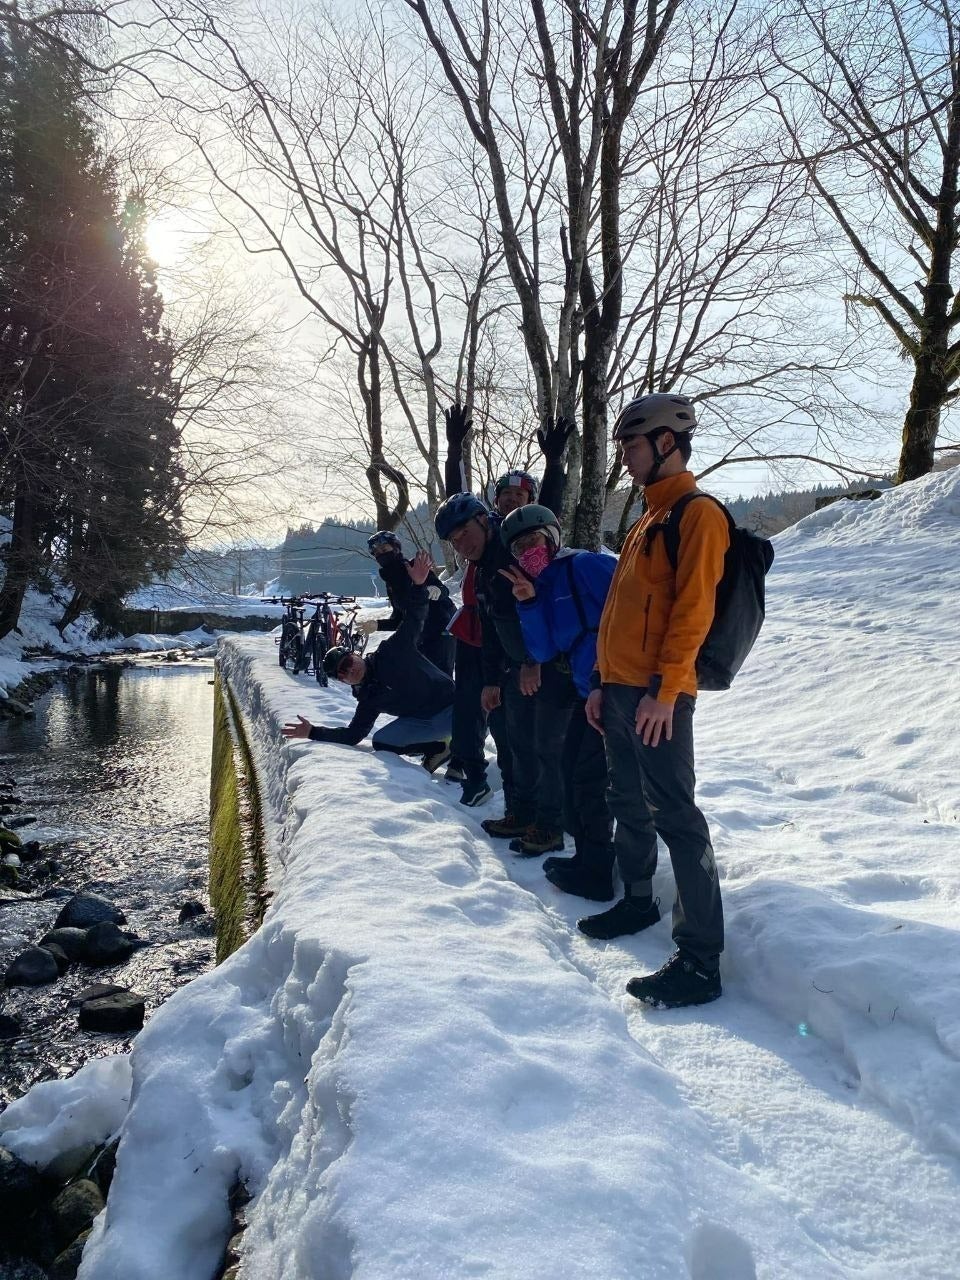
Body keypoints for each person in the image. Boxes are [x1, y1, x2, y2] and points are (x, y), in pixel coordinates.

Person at [583, 392, 728, 1010]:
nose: (624, 454)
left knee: (675, 814)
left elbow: (694, 612)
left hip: (657, 696)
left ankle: (700, 960)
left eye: (632, 443)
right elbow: (619, 612)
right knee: (626, 798)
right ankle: (638, 900)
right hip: (620, 690)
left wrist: (666, 692)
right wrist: (599, 681)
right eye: (622, 444)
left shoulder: (698, 514)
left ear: (668, 442)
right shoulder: (647, 518)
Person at [440, 404, 574, 808]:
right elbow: (455, 505)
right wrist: (454, 450)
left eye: (520, 496)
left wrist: (554, 463)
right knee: (475, 708)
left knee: (519, 729)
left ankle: (533, 806)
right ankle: (474, 771)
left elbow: (548, 511)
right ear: (494, 503)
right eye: (506, 496)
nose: (513, 502)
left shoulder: (518, 541)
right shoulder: (482, 534)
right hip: (480, 633)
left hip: (518, 642)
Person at [499, 503, 618, 901]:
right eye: (518, 548)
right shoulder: (541, 586)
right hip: (588, 692)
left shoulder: (585, 566)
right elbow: (544, 650)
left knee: (591, 782)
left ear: (552, 537)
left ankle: (599, 872)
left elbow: (634, 607)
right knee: (569, 773)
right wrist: (528, 602)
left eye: (532, 540)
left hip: (618, 687)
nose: (527, 552)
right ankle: (586, 858)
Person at [282, 551, 453, 772]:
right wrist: (312, 732)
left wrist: (419, 586)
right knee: (382, 742)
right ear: (343, 682)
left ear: (356, 655)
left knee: (465, 732)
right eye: (342, 674)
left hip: (452, 707)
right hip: (423, 721)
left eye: (348, 662)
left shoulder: (392, 651)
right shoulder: (368, 697)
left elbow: (414, 618)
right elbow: (353, 735)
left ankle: (461, 752)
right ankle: (439, 748)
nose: (349, 670)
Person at [361, 530, 455, 676]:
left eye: (384, 550)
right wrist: (377, 625)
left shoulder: (414, 567)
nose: (381, 555)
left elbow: (444, 591)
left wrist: (436, 590)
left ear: (396, 548)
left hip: (441, 631)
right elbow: (399, 619)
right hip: (419, 637)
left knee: (441, 679)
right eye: (377, 553)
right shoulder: (391, 583)